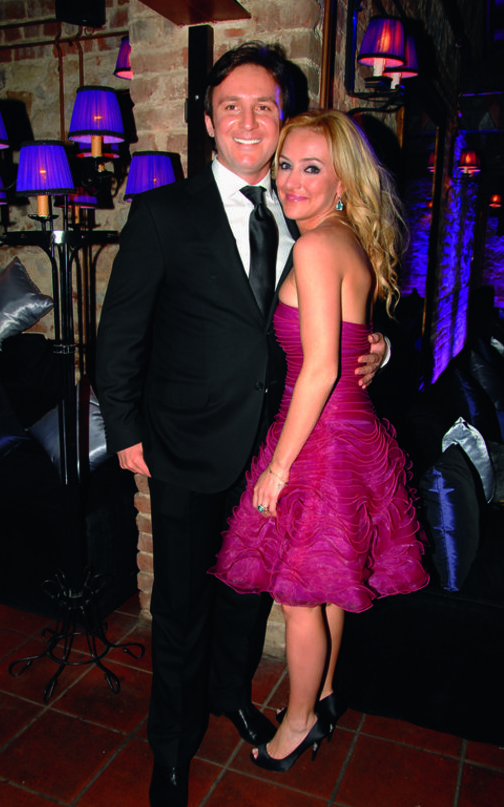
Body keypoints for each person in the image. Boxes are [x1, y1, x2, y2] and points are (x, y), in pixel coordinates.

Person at [96, 44, 386, 807]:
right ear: (209, 120)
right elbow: (119, 337)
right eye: (232, 106)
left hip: (278, 449)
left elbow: (328, 321)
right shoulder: (164, 213)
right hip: (185, 446)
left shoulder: (304, 207)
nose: (249, 121)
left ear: (282, 119)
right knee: (180, 605)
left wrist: (380, 347)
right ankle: (170, 747)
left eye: (265, 107)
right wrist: (124, 431)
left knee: (245, 593)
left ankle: (229, 696)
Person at [209, 110, 430, 772]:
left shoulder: (312, 247)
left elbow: (321, 369)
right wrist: (382, 350)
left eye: (312, 168)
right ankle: (326, 693)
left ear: (342, 182)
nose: (291, 180)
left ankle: (299, 721)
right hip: (350, 432)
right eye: (285, 165)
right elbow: (353, 343)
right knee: (329, 581)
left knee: (300, 596)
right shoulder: (344, 240)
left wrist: (278, 468)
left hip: (321, 438)